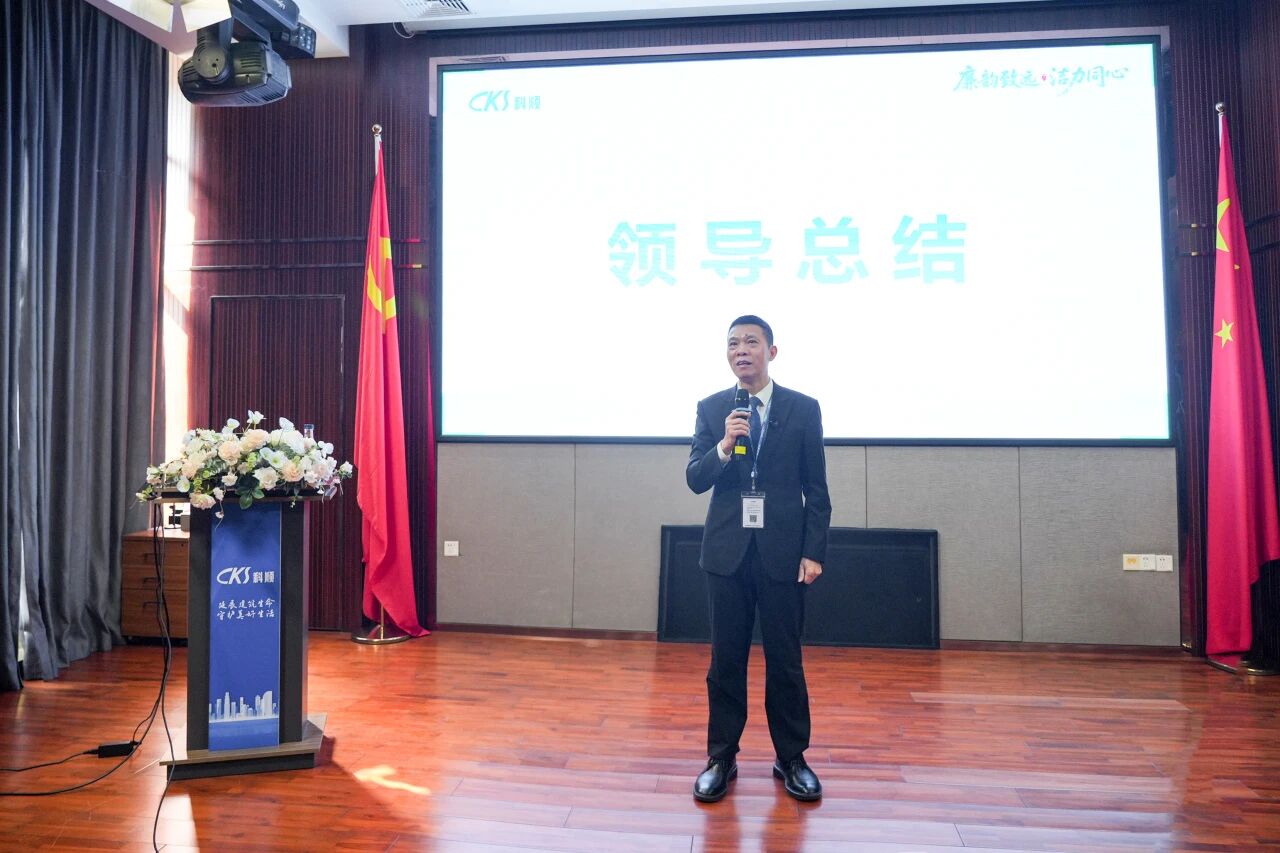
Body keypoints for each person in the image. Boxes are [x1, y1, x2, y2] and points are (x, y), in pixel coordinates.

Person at [685, 314, 831, 803]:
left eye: (751, 341)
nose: (741, 350)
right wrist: (725, 445)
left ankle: (792, 758)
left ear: (772, 351)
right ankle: (721, 758)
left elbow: (817, 489)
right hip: (726, 554)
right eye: (733, 343)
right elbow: (696, 478)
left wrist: (813, 551)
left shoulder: (803, 408)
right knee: (725, 661)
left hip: (784, 554)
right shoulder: (712, 409)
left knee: (785, 661)